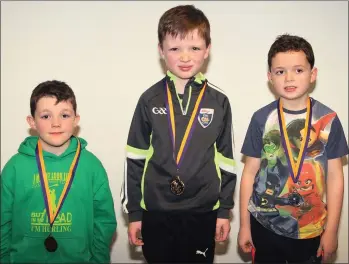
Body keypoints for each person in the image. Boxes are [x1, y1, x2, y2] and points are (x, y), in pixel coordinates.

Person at [121, 5, 237, 263]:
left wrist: (224, 210)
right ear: (161, 51)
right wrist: (135, 214)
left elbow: (227, 160)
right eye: (175, 48)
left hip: (203, 211)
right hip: (157, 211)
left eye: (194, 48)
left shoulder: (219, 102)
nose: (185, 57)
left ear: (207, 50)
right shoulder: (149, 99)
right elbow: (134, 159)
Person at [238, 34, 348, 263]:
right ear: (270, 77)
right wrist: (244, 227)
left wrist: (332, 231)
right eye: (280, 71)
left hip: (311, 228)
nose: (289, 78)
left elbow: (336, 177)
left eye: (298, 70)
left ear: (312, 74)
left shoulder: (328, 120)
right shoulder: (261, 119)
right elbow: (249, 174)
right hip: (264, 224)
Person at [0, 80, 117, 263]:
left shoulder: (92, 166)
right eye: (46, 116)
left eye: (64, 115)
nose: (56, 124)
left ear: (76, 120)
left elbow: (104, 221)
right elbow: (2, 221)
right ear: (32, 122)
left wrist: (99, 260)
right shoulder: (14, 167)